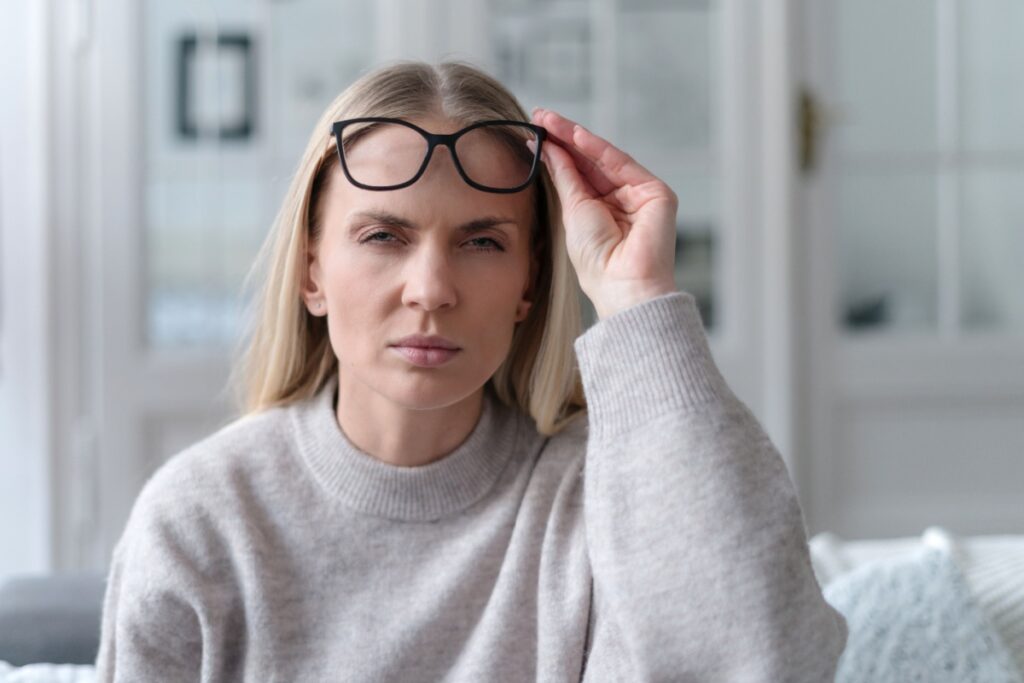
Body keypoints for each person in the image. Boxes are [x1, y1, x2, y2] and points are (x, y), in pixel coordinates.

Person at [94, 59, 848, 681]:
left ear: (529, 284)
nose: (431, 289)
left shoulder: (597, 501)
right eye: (384, 234)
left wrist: (639, 299)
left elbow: (766, 660)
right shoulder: (201, 518)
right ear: (312, 272)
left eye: (483, 241)